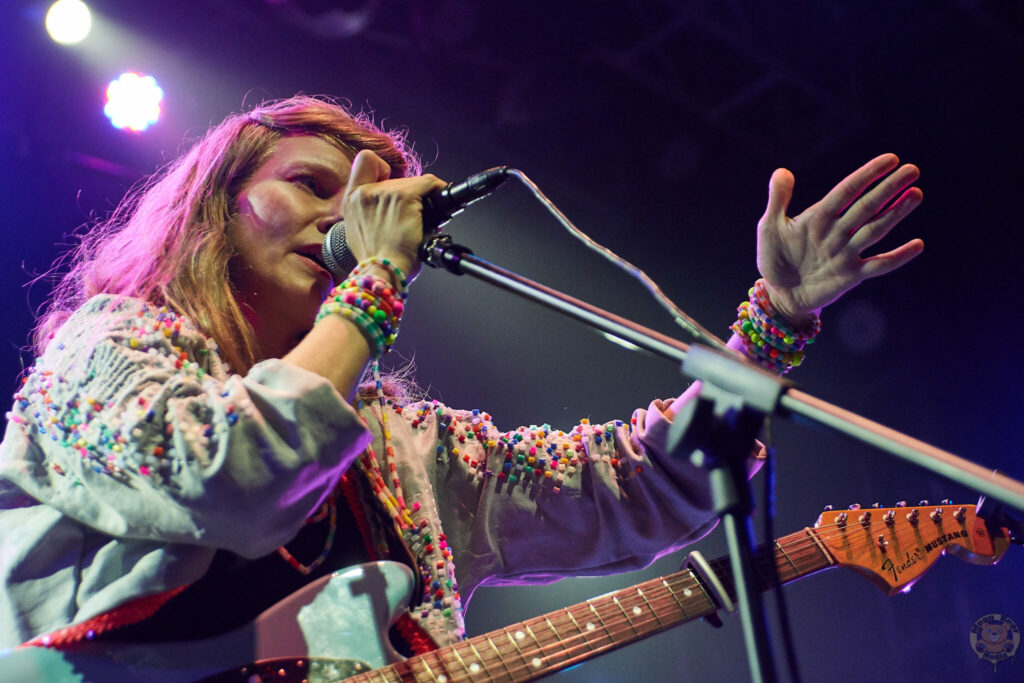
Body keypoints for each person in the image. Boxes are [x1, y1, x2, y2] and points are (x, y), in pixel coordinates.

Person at [0, 95, 923, 664]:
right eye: (314, 184)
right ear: (216, 205)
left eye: (363, 201)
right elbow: (233, 476)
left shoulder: (406, 450)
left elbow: (634, 485)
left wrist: (775, 319)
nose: (344, 215)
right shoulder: (103, 351)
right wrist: (369, 288)